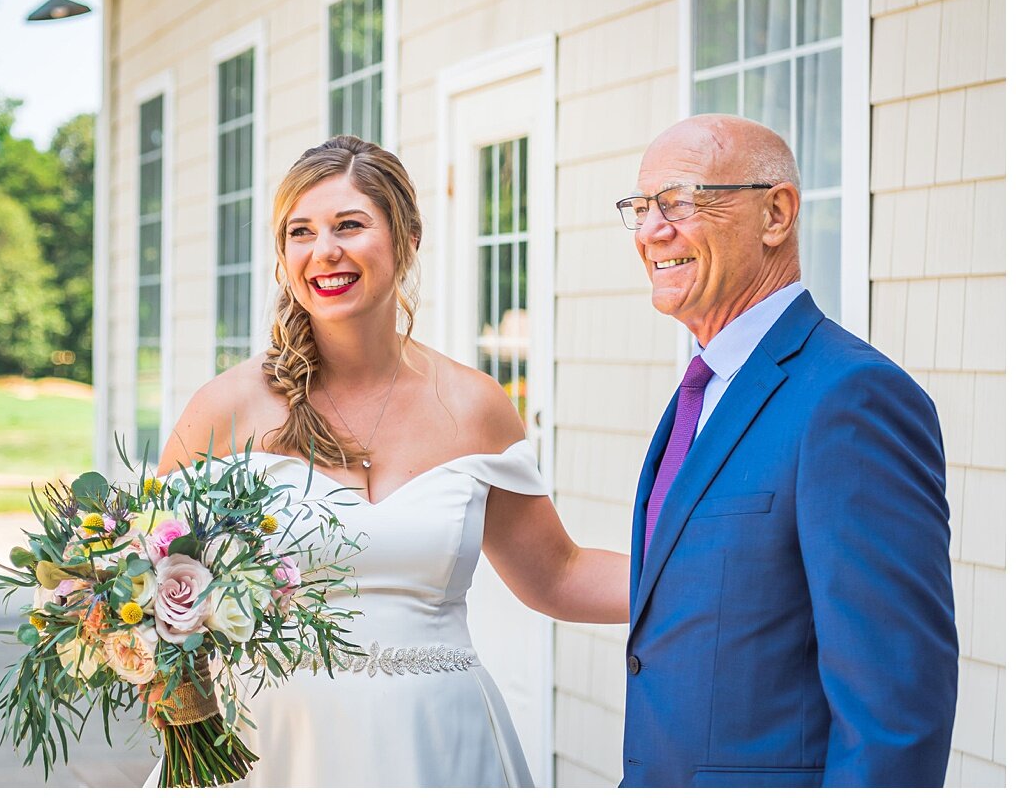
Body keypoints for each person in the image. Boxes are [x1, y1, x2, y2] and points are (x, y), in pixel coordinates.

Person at [152, 134, 628, 788]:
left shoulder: (474, 405)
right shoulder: (228, 407)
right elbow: (143, 577)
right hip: (275, 751)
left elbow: (560, 575)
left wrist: (725, 578)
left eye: (350, 225)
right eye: (301, 232)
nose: (325, 251)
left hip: (442, 749)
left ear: (406, 239)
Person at [617, 114, 957, 786]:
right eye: (640, 208)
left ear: (775, 214)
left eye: (680, 201)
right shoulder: (706, 389)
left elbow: (896, 709)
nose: (654, 230)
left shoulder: (851, 398)